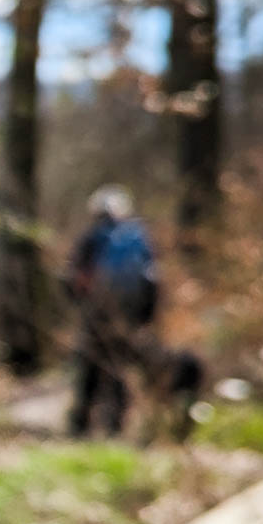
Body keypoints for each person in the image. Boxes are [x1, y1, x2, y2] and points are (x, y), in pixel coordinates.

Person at [64, 185, 158, 436]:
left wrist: (80, 304)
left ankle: (79, 427)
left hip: (96, 315)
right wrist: (144, 317)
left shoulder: (91, 239)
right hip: (129, 316)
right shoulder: (138, 238)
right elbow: (152, 281)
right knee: (119, 368)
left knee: (90, 368)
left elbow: (73, 278)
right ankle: (115, 426)